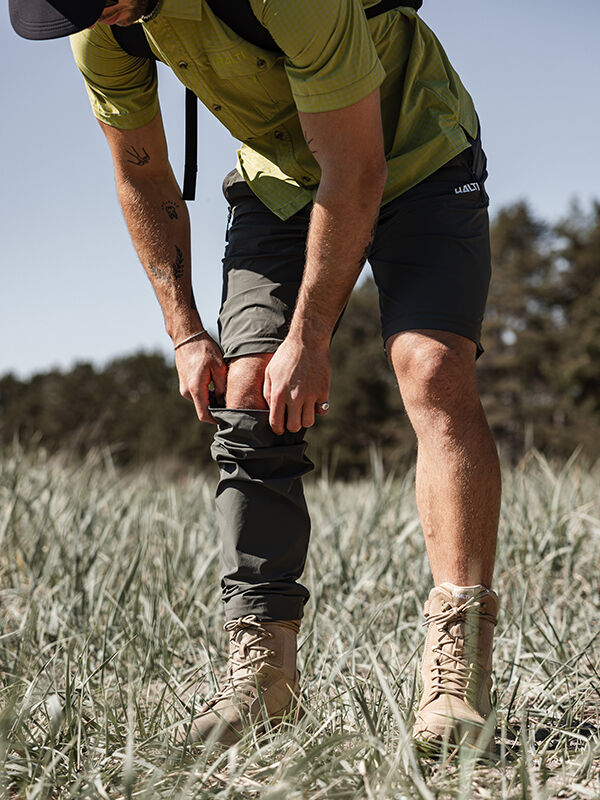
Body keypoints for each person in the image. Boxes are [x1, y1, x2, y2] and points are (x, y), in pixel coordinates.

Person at [11, 0, 502, 751]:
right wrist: (184, 331)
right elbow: (141, 177)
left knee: (430, 370)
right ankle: (264, 676)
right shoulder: (102, 31)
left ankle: (456, 674)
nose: (97, 15)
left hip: (413, 154)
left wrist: (308, 336)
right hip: (281, 177)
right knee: (247, 391)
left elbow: (356, 168)